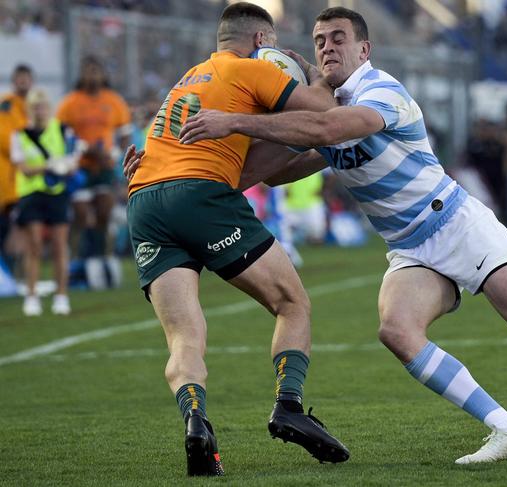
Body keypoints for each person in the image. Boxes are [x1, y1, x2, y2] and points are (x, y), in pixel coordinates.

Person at [173, 6, 507, 465]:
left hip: (458, 227)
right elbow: (267, 173)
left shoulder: (382, 91)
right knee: (397, 330)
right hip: (410, 248)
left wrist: (237, 119)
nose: (327, 48)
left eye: (339, 39)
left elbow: (329, 127)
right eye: (319, 42)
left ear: (365, 49)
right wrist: (164, 166)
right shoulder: (327, 110)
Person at [125, 2, 348, 477]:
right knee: (293, 303)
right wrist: (312, 73)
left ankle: (196, 422)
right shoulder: (252, 70)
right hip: (200, 195)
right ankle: (289, 405)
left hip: (144, 202)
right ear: (263, 43)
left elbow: (268, 168)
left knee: (184, 336)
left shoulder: (189, 78)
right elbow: (328, 113)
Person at [56, 56, 131, 289]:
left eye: (96, 71)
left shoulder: (114, 101)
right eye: (88, 71)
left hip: (105, 167)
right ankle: (77, 260)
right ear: (82, 74)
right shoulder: (70, 102)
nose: (93, 76)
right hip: (80, 167)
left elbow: (125, 133)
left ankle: (102, 259)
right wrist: (81, 148)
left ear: (103, 75)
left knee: (104, 213)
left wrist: (115, 155)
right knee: (80, 216)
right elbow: (61, 134)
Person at [10, 89, 79, 316]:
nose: (40, 111)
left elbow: (73, 156)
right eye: (35, 106)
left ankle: (61, 295)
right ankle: (32, 296)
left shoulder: (61, 129)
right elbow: (24, 169)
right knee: (34, 246)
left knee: (60, 245)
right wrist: (50, 166)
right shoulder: (19, 135)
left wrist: (68, 166)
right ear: (30, 109)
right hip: (32, 194)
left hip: (56, 192)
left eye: (43, 106)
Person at [0, 64, 32, 272]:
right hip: (9, 174)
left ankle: (12, 271)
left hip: (25, 175)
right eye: (19, 78)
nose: (23, 82)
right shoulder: (7, 105)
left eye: (26, 78)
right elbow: (6, 139)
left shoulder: (32, 105)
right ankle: (7, 271)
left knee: (20, 225)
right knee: (7, 224)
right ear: (14, 81)